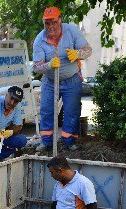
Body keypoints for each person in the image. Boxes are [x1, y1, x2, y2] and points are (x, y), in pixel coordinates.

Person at [32, 6, 92, 152]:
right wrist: (48, 65)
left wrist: (78, 54)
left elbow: (88, 50)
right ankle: (46, 142)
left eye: (53, 22)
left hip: (72, 79)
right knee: (46, 111)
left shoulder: (71, 31)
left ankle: (69, 141)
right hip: (50, 81)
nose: (50, 26)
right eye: (47, 23)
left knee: (72, 111)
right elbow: (36, 67)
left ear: (60, 20)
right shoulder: (40, 40)